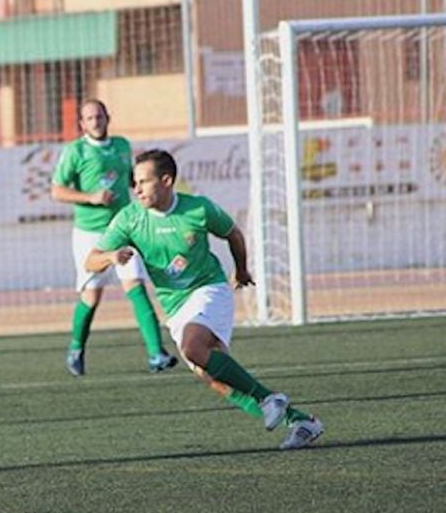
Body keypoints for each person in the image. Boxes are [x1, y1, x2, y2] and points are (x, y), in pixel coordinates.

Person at [86, 149, 325, 450]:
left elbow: (233, 234)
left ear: (167, 181)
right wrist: (110, 256)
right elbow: (90, 261)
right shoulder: (130, 218)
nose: (136, 189)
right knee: (212, 375)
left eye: (143, 182)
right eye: (135, 182)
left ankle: (269, 399)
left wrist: (240, 270)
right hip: (174, 306)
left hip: (208, 288)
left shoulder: (197, 209)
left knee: (193, 347)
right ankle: (301, 422)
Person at [51, 99, 177, 377]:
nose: (95, 122)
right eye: (89, 118)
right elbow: (57, 191)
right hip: (90, 232)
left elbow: (132, 181)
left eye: (99, 116)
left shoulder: (122, 146)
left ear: (108, 118)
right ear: (82, 124)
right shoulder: (76, 151)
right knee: (92, 295)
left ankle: (157, 353)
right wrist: (91, 197)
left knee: (136, 285)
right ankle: (76, 348)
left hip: (122, 227)